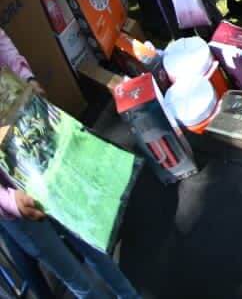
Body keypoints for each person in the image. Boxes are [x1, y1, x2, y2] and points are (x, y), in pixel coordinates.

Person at [0, 31, 139, 299]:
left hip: (39, 144)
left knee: (89, 236)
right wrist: (9, 201)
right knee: (73, 275)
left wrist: (27, 78)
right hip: (12, 197)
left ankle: (129, 295)